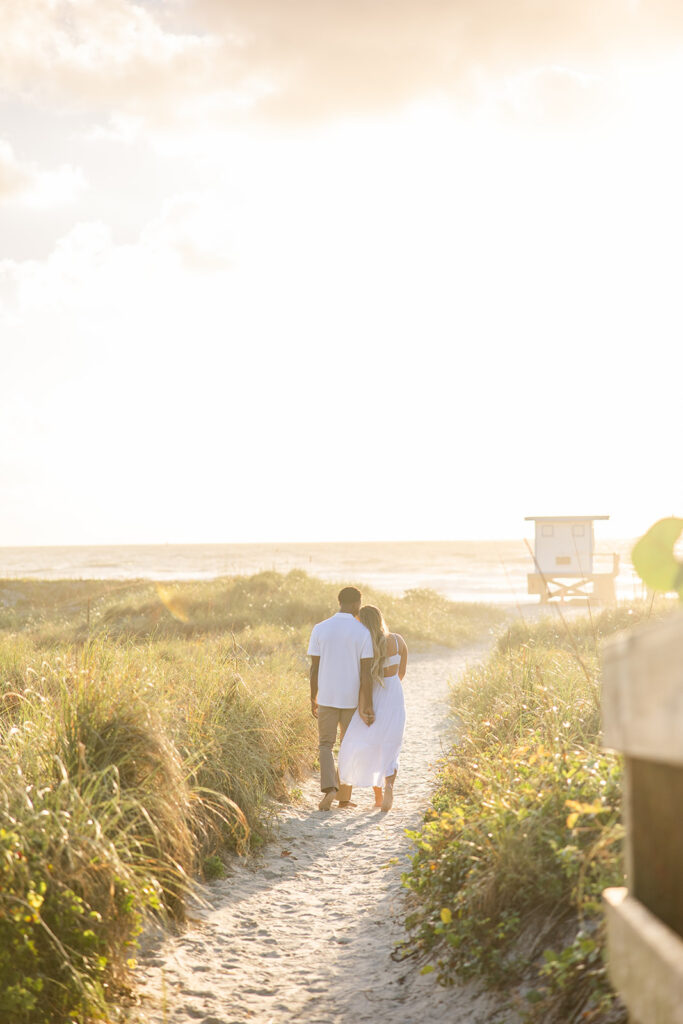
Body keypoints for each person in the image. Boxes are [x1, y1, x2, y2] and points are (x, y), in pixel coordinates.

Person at [308, 586, 374, 811]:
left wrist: (312, 697)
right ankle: (344, 799)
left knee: (325, 745)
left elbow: (314, 668)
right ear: (357, 603)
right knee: (348, 746)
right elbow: (366, 672)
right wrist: (369, 704)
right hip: (351, 698)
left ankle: (329, 789)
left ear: (339, 601)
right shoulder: (362, 632)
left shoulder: (320, 628)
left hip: (326, 695)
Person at [337, 605, 407, 812]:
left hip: (374, 695)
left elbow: (362, 678)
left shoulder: (366, 644)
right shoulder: (398, 640)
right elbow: (401, 673)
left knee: (369, 743)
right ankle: (390, 788)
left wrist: (365, 703)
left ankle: (378, 796)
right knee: (391, 743)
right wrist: (391, 687)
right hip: (395, 694)